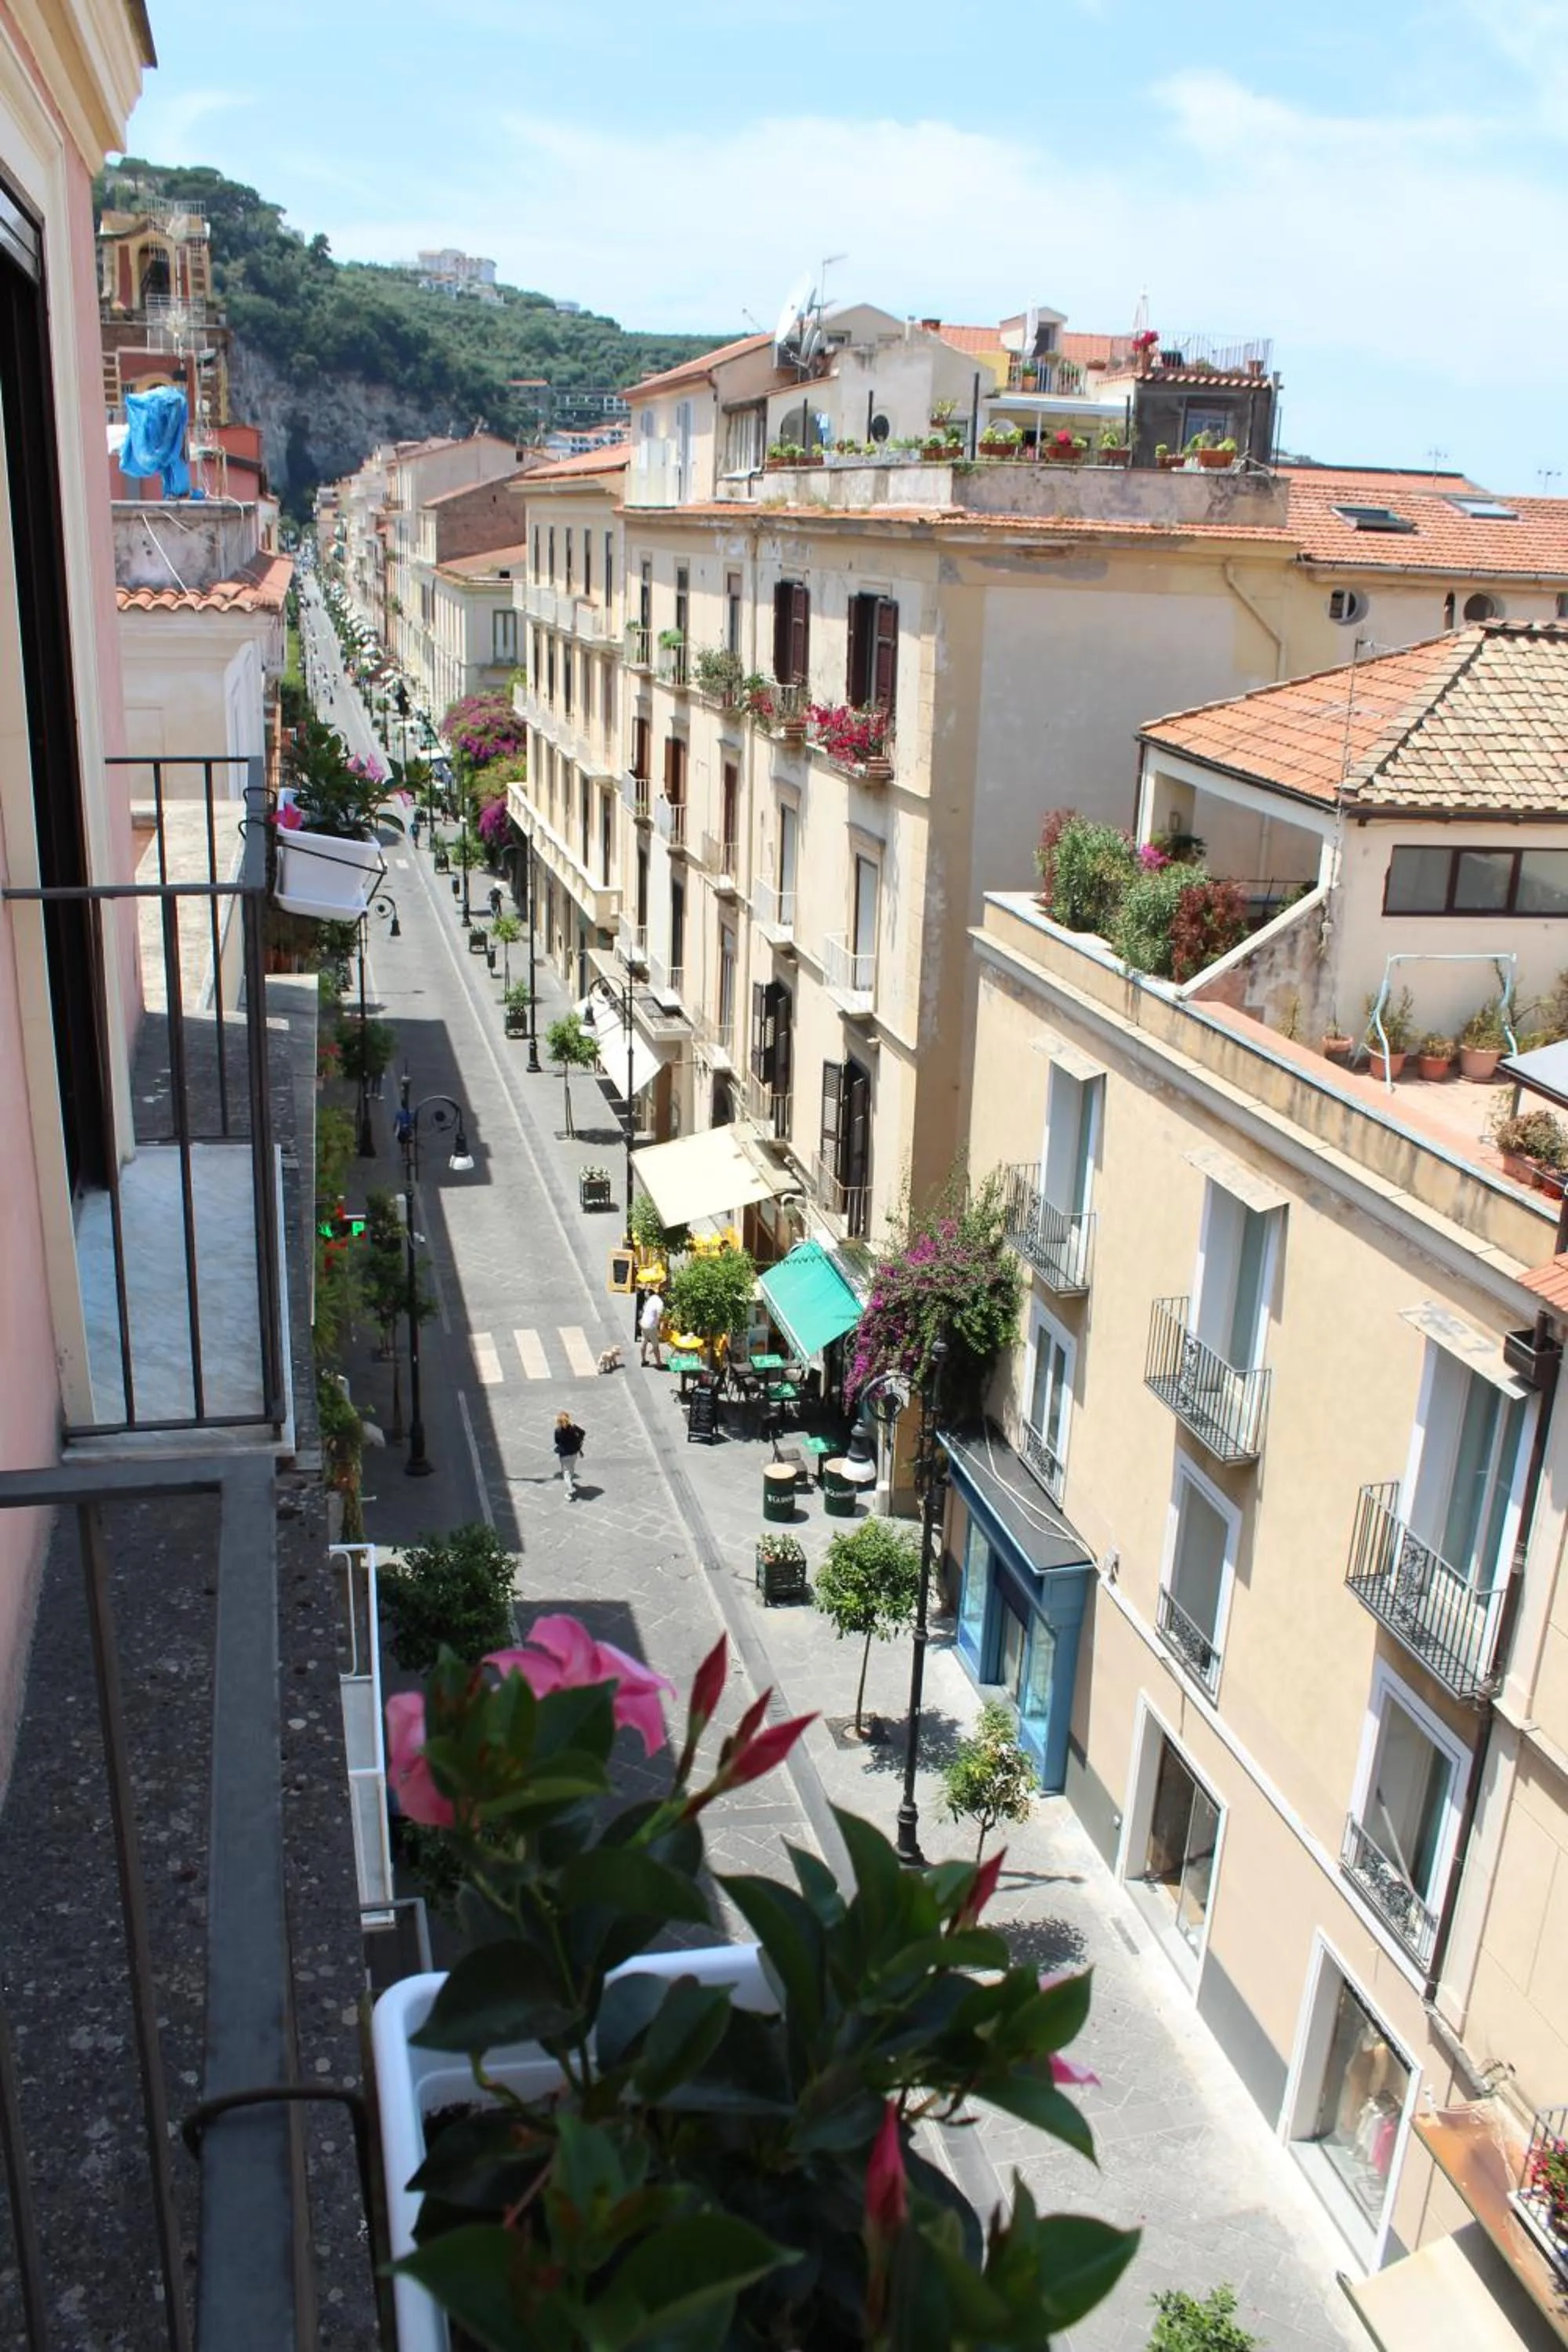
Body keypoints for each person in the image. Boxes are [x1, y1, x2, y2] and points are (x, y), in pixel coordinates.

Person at [553, 1410, 586, 1498]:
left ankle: (569, 1490)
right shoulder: (573, 1428)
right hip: (574, 1453)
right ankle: (571, 1481)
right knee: (571, 1468)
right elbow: (583, 1433)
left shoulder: (558, 1431)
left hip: (564, 1454)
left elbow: (557, 1441)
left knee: (566, 1473)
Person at [639, 1287, 666, 1368]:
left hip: (643, 1323)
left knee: (644, 1342)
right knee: (655, 1345)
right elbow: (660, 1315)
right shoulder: (660, 1302)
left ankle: (643, 1360)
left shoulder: (650, 1299)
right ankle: (659, 1364)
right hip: (651, 1326)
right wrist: (660, 1326)